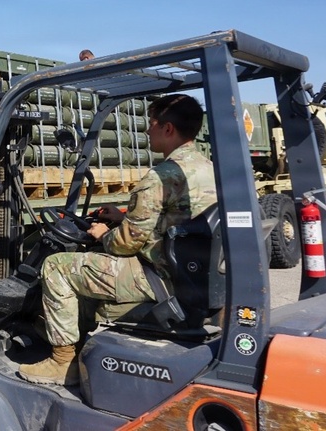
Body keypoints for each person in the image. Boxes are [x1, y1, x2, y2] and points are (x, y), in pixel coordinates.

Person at [18, 94, 217, 385]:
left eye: (152, 124)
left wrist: (105, 233)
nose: (147, 131)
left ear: (168, 129)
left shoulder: (162, 177)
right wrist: (122, 219)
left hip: (157, 277)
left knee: (58, 266)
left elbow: (125, 245)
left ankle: (62, 363)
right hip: (191, 273)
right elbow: (177, 223)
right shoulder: (209, 170)